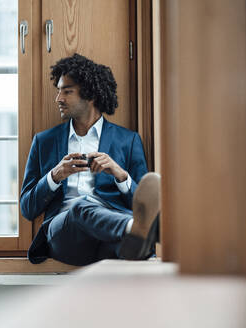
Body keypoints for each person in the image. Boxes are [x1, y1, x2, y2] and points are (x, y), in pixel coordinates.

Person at [20, 53, 160, 266]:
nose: (58, 98)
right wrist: (54, 176)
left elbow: (141, 204)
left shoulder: (128, 140)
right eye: (58, 91)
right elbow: (27, 208)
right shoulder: (44, 141)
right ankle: (137, 229)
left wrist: (120, 176)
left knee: (131, 250)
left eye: (67, 91)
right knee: (81, 207)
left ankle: (136, 237)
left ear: (90, 94)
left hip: (108, 236)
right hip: (65, 236)